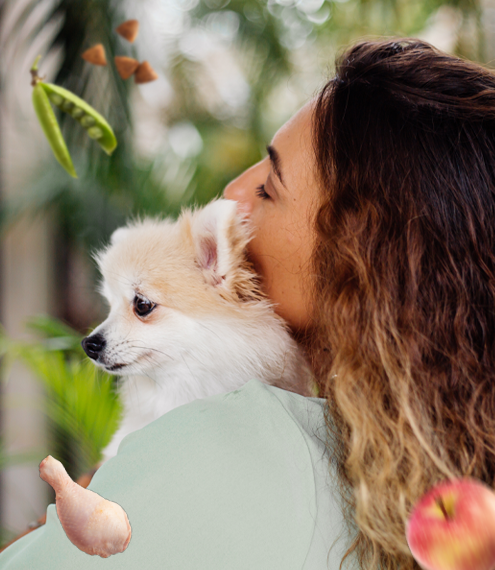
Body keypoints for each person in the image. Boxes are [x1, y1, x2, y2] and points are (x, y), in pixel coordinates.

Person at [1, 37, 495, 569]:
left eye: (269, 187)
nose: (233, 193)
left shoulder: (231, 442)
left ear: (362, 261)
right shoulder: (421, 504)